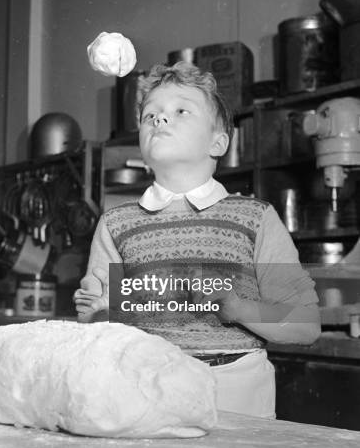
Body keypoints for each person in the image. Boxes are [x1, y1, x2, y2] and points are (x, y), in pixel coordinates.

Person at [73, 62, 321, 419]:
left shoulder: (256, 218)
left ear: (217, 142)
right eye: (149, 116)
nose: (159, 120)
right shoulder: (115, 223)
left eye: (180, 111)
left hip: (236, 391)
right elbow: (104, 325)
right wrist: (95, 313)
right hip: (145, 387)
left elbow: (305, 324)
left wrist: (237, 308)